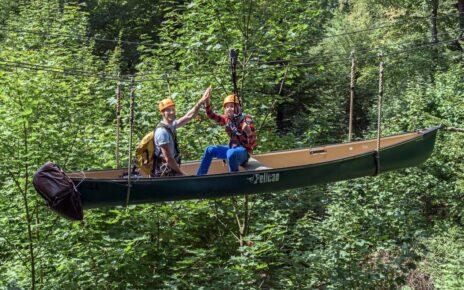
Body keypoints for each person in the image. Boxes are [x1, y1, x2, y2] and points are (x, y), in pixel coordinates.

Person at [153, 87, 211, 177]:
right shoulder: (162, 132)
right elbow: (168, 158)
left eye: (173, 109)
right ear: (162, 113)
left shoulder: (171, 125)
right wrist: (181, 173)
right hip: (165, 172)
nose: (172, 112)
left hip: (171, 169)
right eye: (168, 110)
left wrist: (200, 102)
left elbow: (189, 116)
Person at [196, 92, 257, 175]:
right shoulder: (227, 119)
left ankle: (233, 176)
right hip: (232, 149)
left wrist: (249, 133)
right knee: (209, 149)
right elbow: (211, 115)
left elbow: (253, 145)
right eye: (227, 107)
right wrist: (207, 101)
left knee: (230, 153)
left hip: (243, 152)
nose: (229, 109)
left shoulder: (246, 119)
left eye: (231, 106)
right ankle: (200, 176)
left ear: (237, 108)